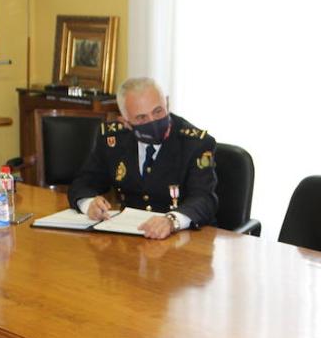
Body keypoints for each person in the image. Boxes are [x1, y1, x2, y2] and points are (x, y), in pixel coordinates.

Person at [68, 76, 217, 239]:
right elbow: (83, 182)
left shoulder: (196, 144)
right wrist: (89, 204)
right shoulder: (113, 140)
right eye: (141, 118)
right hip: (129, 238)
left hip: (183, 240)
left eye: (158, 111)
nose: (152, 121)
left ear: (166, 103)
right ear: (125, 121)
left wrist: (172, 221)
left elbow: (204, 198)